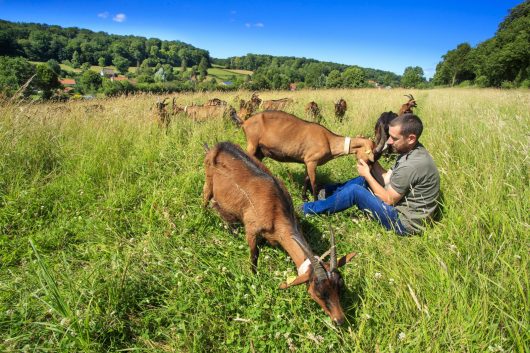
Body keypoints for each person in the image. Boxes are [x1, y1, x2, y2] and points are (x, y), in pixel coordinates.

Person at [301, 114, 440, 235]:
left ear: (411, 138)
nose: (389, 142)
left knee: (356, 191)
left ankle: (307, 209)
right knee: (363, 181)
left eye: (394, 138)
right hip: (400, 206)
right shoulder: (410, 151)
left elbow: (388, 200)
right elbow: (386, 179)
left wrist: (367, 174)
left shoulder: (411, 165)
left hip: (404, 223)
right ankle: (327, 193)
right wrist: (369, 158)